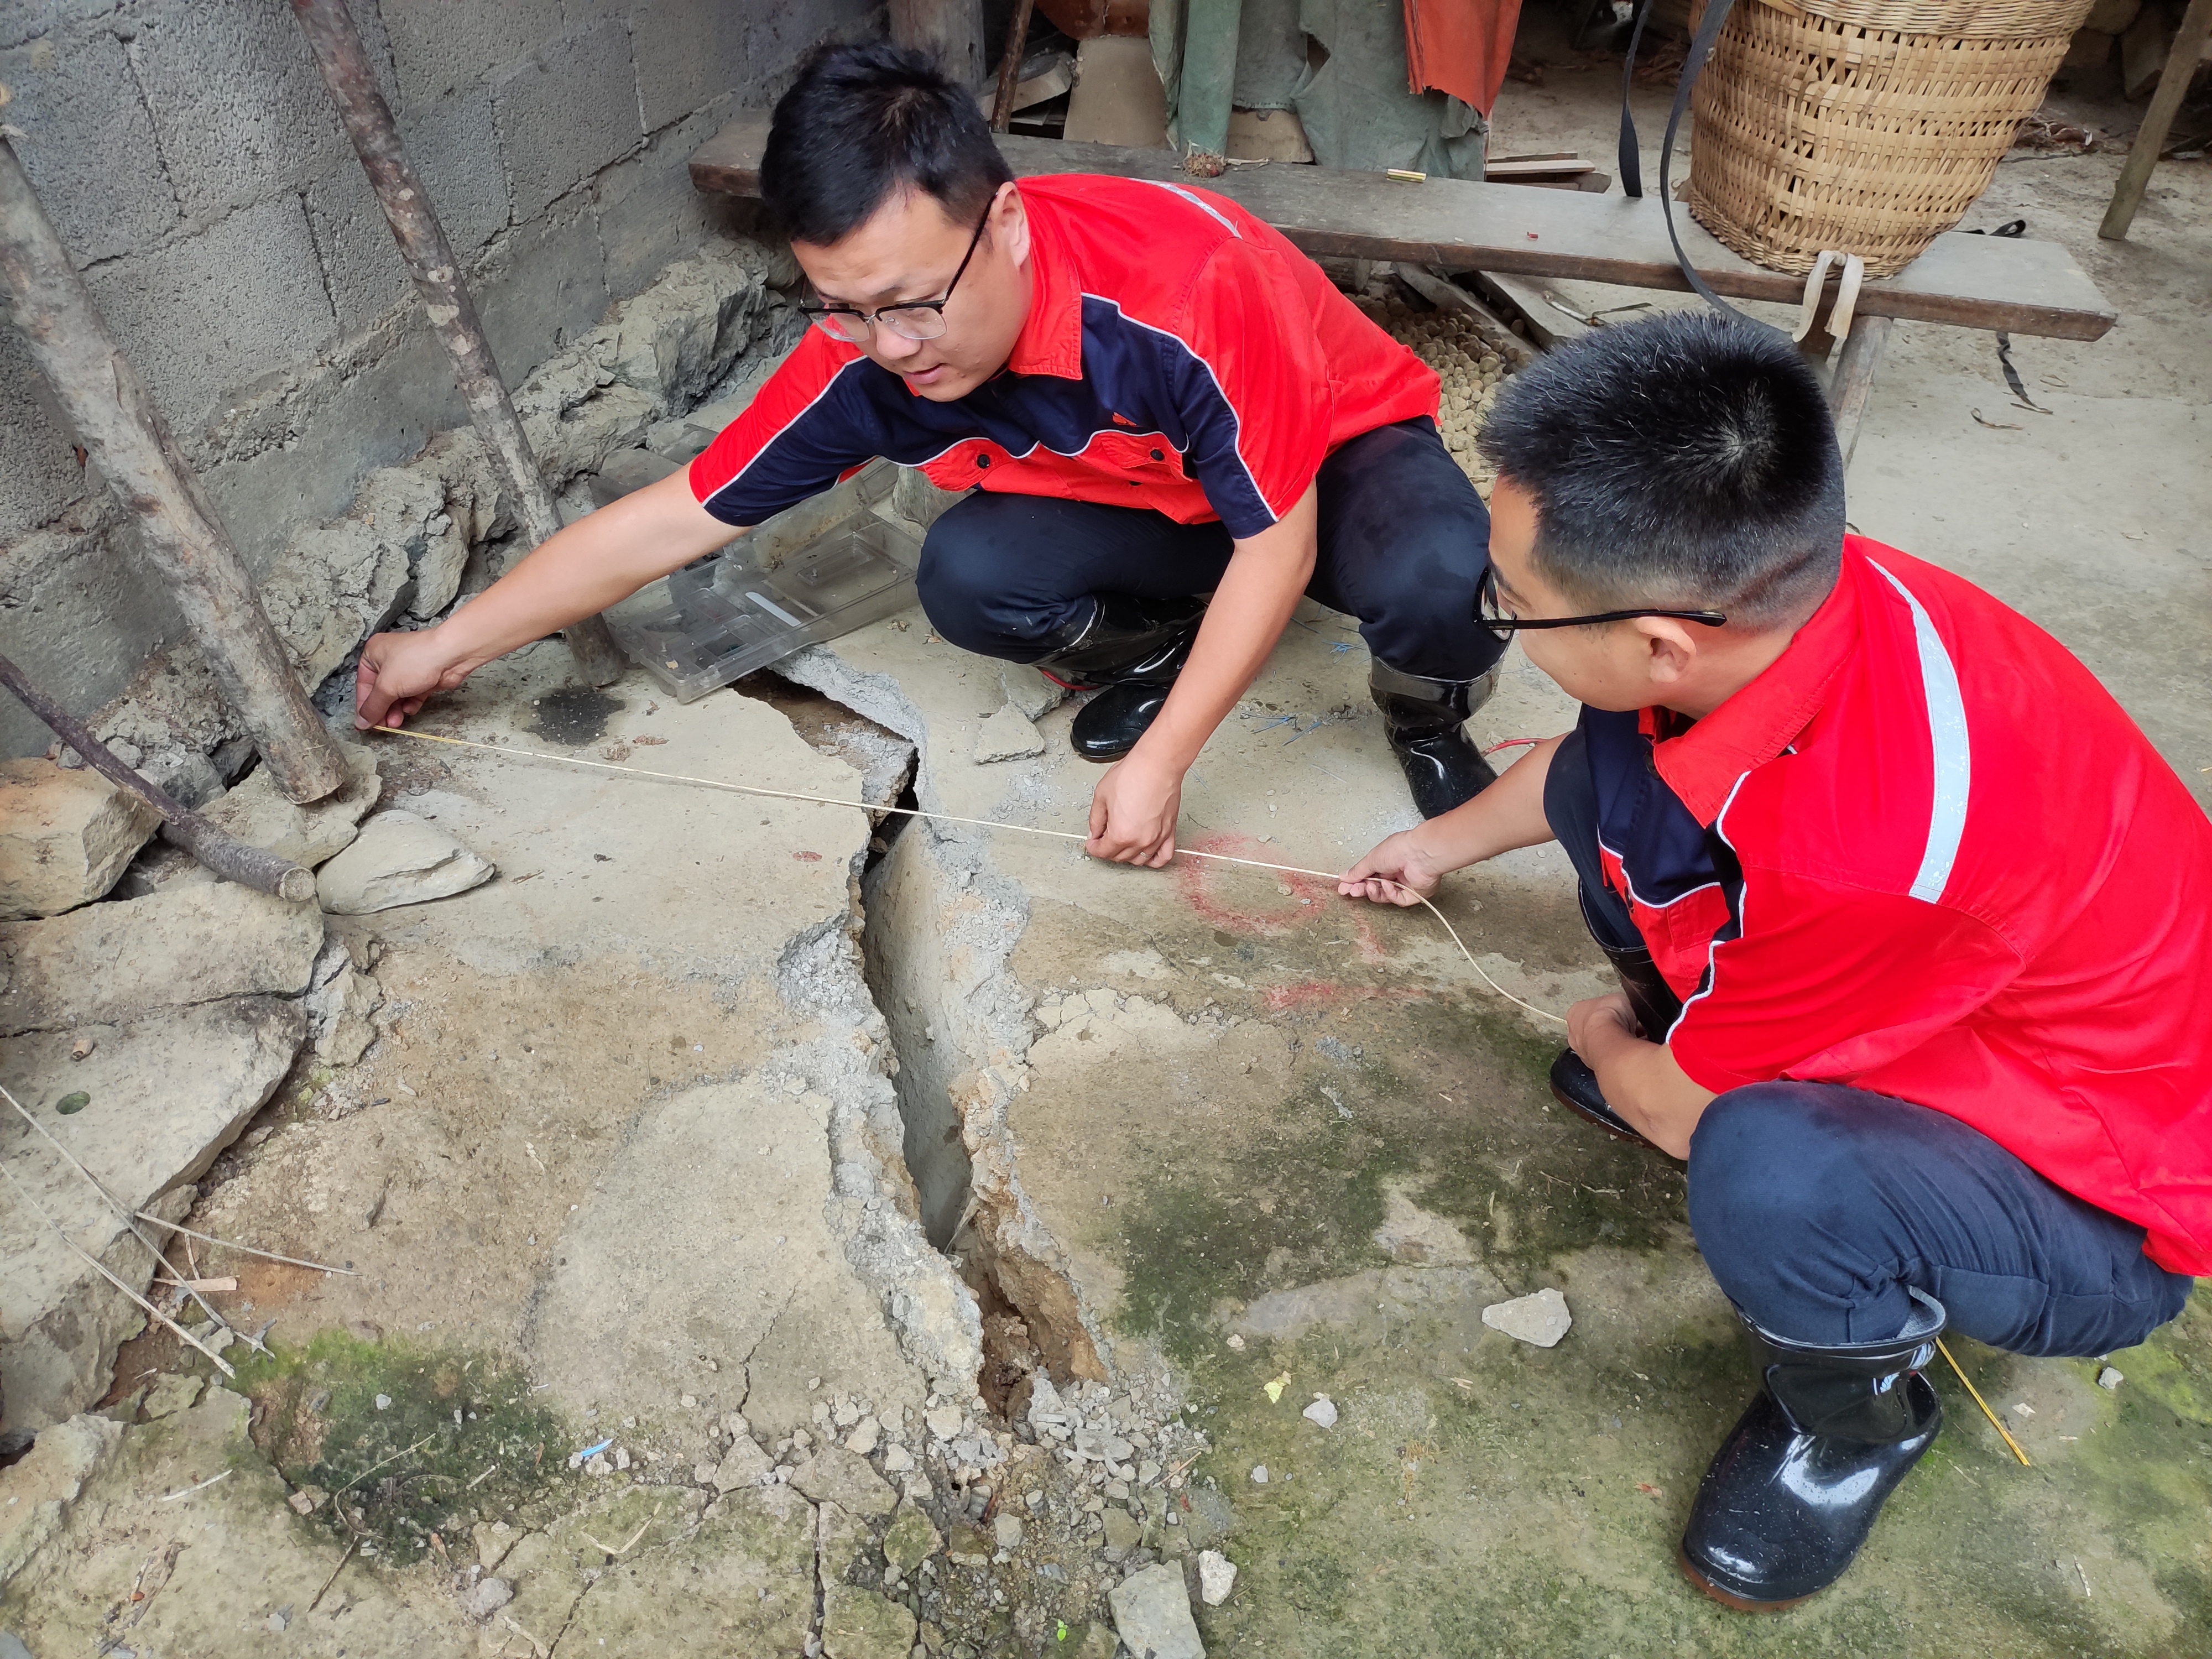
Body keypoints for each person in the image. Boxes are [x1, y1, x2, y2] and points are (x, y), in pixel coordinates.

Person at [1338, 309, 2209, 1610]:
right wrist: (1434, 844)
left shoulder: (1872, 843)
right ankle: (1709, 1048)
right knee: (1615, 784)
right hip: (1944, 986)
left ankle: (1854, 1417)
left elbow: (1691, 1111)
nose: (1494, 611)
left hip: (2099, 1192)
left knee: (1763, 1165)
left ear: (1662, 640)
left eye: (1508, 603)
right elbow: (1590, 762)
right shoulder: (1791, 598)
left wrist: (1608, 1046)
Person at [352, 41, 1506, 856]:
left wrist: (1161, 766)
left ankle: (1423, 713)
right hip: (1156, 499)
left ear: (1005, 221)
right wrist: (445, 647)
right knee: (969, 577)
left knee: (1444, 584)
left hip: (1327, 462)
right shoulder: (863, 352)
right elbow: (672, 518)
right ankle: (1162, 650)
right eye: (844, 306)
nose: (890, 347)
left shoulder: (1185, 287)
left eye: (913, 304)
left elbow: (1276, 538)